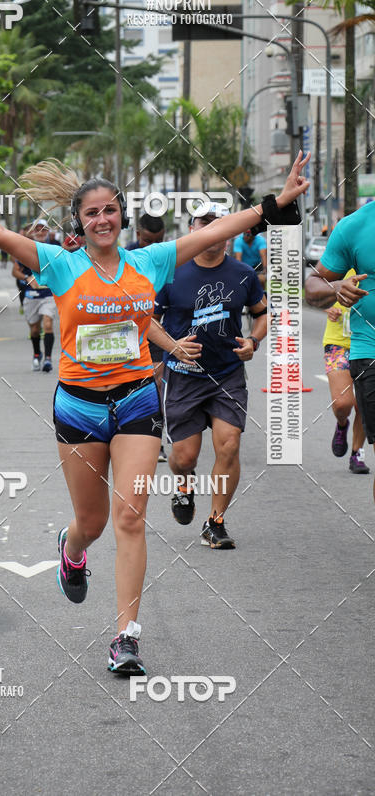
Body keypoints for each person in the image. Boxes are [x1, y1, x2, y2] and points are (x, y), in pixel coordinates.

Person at [0, 146, 309, 674]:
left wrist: (273, 204)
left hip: (138, 400)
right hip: (79, 408)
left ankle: (127, 637)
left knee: (130, 515)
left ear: (122, 217)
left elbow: (214, 233)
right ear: (78, 221)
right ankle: (71, 552)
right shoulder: (59, 263)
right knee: (91, 522)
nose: (102, 219)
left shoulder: (152, 260)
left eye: (110, 210)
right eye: (91, 212)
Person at [152, 203, 267, 548]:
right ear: (192, 228)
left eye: (219, 221)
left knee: (229, 445)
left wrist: (253, 340)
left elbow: (262, 315)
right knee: (184, 458)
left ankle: (215, 522)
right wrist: (172, 347)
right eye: (204, 221)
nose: (212, 227)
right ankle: (184, 486)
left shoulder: (244, 274)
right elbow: (149, 321)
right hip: (185, 376)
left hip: (227, 374)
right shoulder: (170, 274)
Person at [306, 203, 375, 502]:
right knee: (344, 404)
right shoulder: (354, 227)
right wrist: (336, 289)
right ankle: (345, 429)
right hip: (364, 348)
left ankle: (356, 449)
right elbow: (312, 286)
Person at [127, 214, 168, 461]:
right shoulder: (124, 257)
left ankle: (156, 442)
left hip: (156, 333)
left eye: (159, 240)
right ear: (138, 236)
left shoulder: (167, 257)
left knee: (155, 388)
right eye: (148, 241)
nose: (153, 246)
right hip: (127, 333)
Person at [321, 269, 369, 473]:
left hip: (369, 343)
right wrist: (329, 308)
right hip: (338, 343)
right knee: (343, 403)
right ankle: (342, 423)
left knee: (365, 405)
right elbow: (316, 292)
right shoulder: (340, 264)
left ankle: (357, 453)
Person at [11, 219, 57, 372]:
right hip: (31, 296)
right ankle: (37, 354)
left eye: (44, 229)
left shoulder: (54, 248)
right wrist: (27, 278)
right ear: (33, 232)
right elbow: (15, 271)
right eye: (37, 229)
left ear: (48, 232)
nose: (41, 232)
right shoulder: (26, 248)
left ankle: (48, 359)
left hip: (48, 294)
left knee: (48, 324)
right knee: (35, 330)